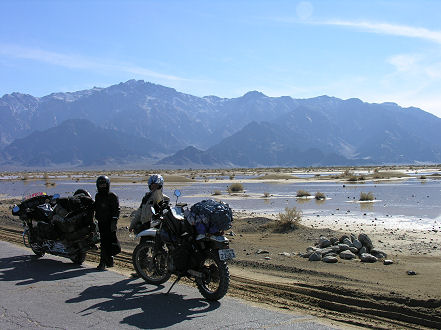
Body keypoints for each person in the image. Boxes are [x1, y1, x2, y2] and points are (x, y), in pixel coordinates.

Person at [94, 175, 120, 270]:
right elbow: (96, 207)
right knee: (104, 242)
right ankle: (106, 261)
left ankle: (105, 261)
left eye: (104, 184)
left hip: (110, 223)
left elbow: (116, 210)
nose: (102, 186)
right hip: (101, 222)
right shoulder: (98, 196)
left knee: (110, 242)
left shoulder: (112, 196)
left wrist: (114, 221)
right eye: (100, 185)